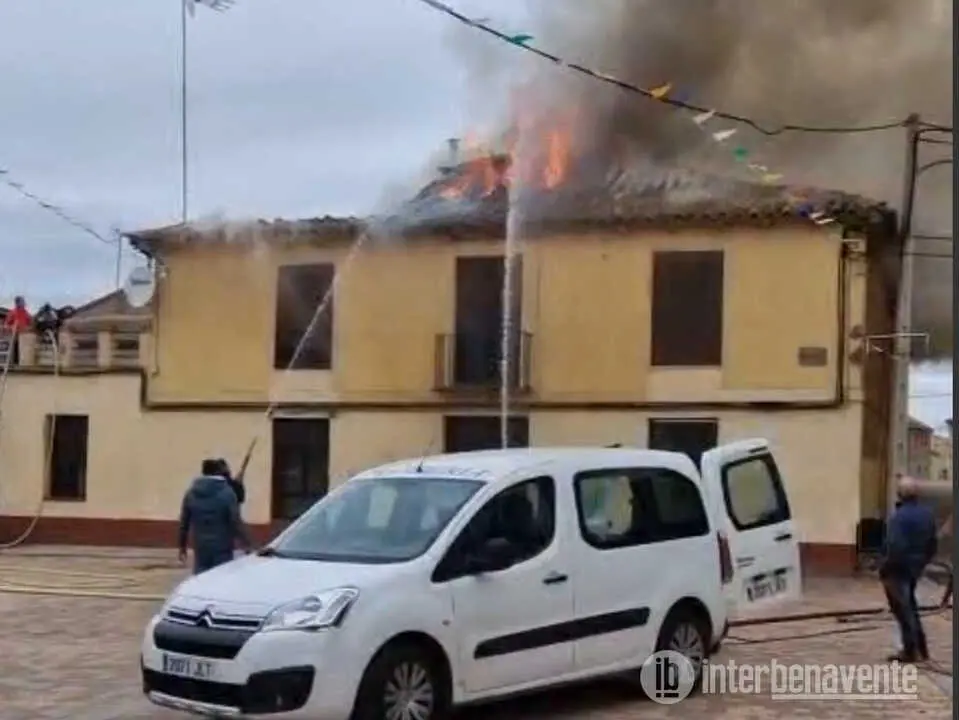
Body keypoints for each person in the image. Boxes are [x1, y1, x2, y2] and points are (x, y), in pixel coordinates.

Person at [880, 476, 937, 662]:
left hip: (898, 569)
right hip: (914, 568)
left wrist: (885, 568)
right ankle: (921, 648)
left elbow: (895, 546)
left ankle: (911, 650)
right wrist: (921, 563)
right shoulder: (927, 515)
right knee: (910, 607)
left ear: (900, 495)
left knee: (903, 611)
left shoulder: (899, 517)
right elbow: (932, 544)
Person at [178, 458, 252, 574]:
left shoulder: (191, 493)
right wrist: (247, 544)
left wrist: (182, 546)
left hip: (200, 546)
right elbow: (235, 520)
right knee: (220, 579)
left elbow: (184, 522)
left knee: (201, 579)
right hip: (222, 547)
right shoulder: (227, 493)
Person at [3, 296, 31, 365]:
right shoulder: (12, 312)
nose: (24, 303)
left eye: (23, 301)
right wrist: (11, 327)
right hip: (15, 335)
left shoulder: (26, 313)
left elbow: (30, 322)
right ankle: (15, 363)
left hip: (24, 336)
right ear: (17, 303)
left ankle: (23, 362)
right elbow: (6, 325)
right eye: (22, 301)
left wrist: (28, 328)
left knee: (24, 350)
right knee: (16, 348)